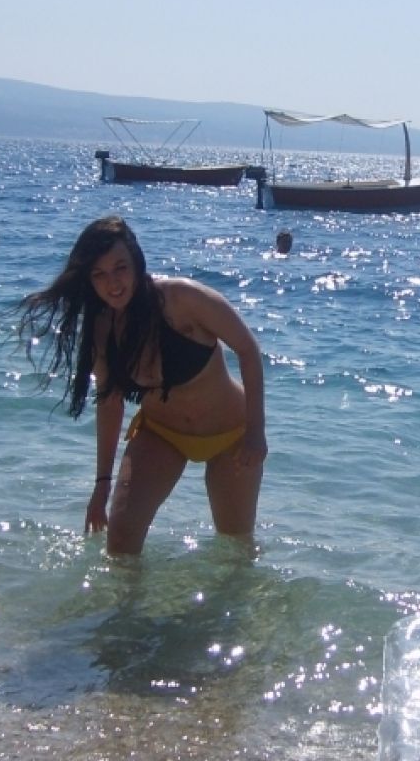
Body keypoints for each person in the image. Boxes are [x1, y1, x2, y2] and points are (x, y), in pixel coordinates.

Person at [16, 216, 267, 554]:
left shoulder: (182, 299)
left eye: (120, 268)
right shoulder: (103, 329)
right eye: (99, 274)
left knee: (234, 549)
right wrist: (101, 485)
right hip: (162, 434)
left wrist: (255, 432)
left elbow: (248, 350)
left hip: (231, 436)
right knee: (120, 538)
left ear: (136, 261)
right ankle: (124, 608)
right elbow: (109, 402)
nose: (113, 283)